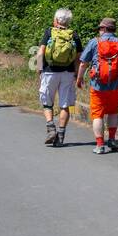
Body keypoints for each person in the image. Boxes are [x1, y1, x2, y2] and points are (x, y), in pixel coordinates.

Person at [76, 17, 118, 155]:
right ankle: (112, 140)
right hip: (115, 84)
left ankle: (100, 145)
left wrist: (79, 78)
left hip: (97, 85)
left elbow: (83, 63)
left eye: (100, 28)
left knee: (97, 114)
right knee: (113, 111)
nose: (99, 31)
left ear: (104, 29)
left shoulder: (94, 42)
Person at [37, 8, 82, 147]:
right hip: (67, 73)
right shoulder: (73, 34)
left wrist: (40, 69)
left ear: (56, 20)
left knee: (47, 102)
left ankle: (51, 128)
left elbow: (40, 53)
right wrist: (76, 73)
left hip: (49, 72)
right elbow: (78, 57)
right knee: (65, 105)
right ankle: (61, 135)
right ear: (69, 21)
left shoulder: (49, 32)